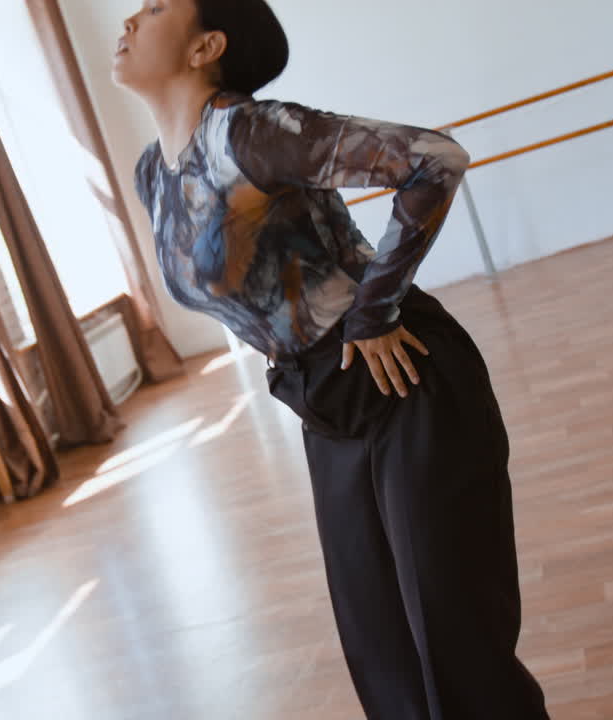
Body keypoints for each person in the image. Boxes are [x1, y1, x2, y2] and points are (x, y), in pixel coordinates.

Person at [112, 1, 551, 717]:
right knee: (382, 654)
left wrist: (375, 308)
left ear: (207, 47)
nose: (129, 18)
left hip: (403, 376)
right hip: (320, 400)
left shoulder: (251, 134)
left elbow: (432, 161)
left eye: (156, 6)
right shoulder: (151, 175)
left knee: (457, 648)